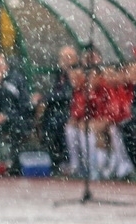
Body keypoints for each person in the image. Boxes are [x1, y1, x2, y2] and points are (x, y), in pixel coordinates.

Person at [0, 53, 33, 176]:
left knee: (13, 128)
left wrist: (5, 116)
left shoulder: (17, 79)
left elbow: (25, 106)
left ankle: (12, 164)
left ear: (6, 66)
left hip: (17, 118)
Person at [38, 46, 77, 176]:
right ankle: (56, 160)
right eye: (63, 57)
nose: (65, 60)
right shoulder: (60, 74)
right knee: (47, 122)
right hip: (59, 110)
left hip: (72, 109)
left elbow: (67, 94)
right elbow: (56, 92)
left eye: (69, 57)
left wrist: (45, 98)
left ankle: (67, 160)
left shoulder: (75, 72)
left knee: (58, 122)